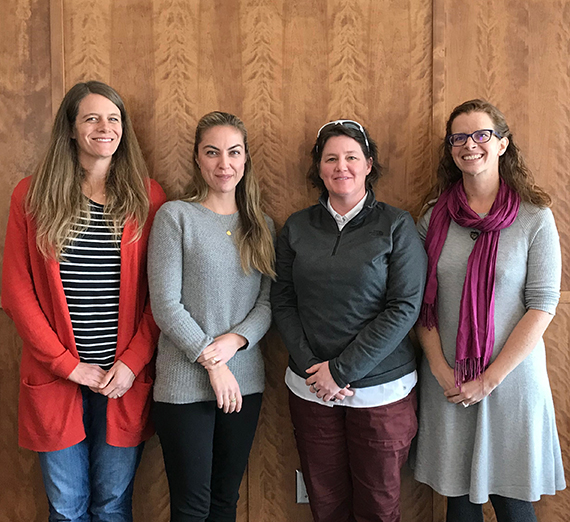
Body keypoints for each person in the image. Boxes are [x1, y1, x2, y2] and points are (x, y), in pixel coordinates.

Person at [2, 80, 166, 521]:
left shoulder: (147, 198)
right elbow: (17, 293)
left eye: (113, 118)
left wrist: (132, 362)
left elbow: (162, 296)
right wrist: (66, 364)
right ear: (71, 129)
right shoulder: (31, 196)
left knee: (113, 505)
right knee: (67, 508)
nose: (104, 127)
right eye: (91, 117)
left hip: (122, 380)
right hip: (56, 378)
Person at [413, 99, 566, 522]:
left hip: (511, 381)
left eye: (482, 135)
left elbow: (542, 305)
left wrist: (489, 379)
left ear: (502, 144)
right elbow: (421, 302)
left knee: (514, 505)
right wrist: (441, 368)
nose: (470, 145)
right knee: (459, 505)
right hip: (449, 380)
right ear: (450, 149)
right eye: (459, 138)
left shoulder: (535, 216)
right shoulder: (432, 218)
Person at [270, 119, 427, 522]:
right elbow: (283, 300)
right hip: (312, 390)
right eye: (331, 158)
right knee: (326, 501)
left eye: (352, 157)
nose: (342, 166)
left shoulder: (396, 224)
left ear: (369, 164)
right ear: (319, 169)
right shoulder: (297, 226)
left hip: (382, 394)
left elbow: (404, 307)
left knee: (379, 504)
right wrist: (314, 370)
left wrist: (341, 371)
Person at [148, 111, 275, 522]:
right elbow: (165, 304)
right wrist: (211, 359)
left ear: (246, 158)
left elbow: (267, 304)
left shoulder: (263, 226)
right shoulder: (175, 216)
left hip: (246, 382)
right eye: (212, 152)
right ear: (198, 160)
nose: (224, 163)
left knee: (225, 501)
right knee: (191, 506)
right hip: (185, 385)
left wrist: (234, 342)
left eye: (234, 152)